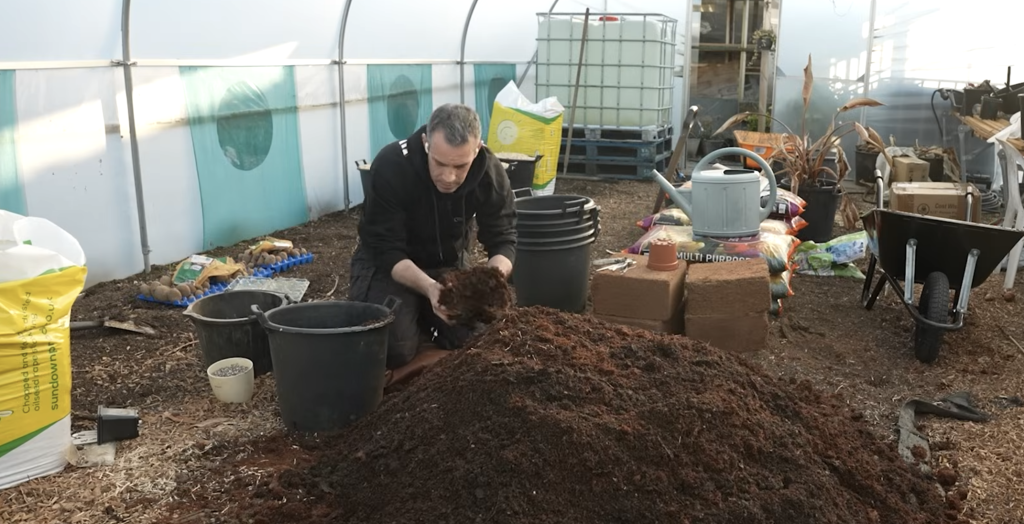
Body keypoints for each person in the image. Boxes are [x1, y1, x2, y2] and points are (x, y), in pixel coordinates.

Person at [349, 103, 517, 376]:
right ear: (427, 143)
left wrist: (491, 280)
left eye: (460, 166)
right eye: (439, 163)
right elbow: (386, 249)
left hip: (447, 263)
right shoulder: (392, 165)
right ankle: (416, 317)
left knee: (479, 335)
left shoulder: (489, 171)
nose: (449, 177)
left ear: (477, 149)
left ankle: (426, 319)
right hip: (390, 265)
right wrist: (429, 288)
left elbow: (504, 237)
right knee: (394, 348)